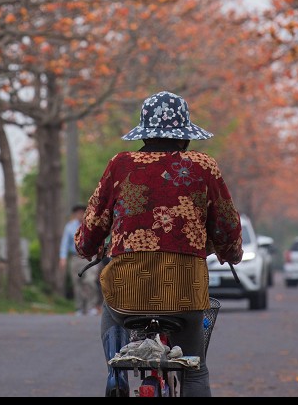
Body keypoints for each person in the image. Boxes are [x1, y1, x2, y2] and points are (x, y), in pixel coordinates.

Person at [76, 91, 243, 398]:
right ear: (185, 137)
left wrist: (87, 247)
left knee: (112, 311)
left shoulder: (120, 165)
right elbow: (227, 223)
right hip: (185, 290)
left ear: (144, 133)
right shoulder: (204, 166)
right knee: (196, 369)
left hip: (128, 289)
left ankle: (117, 378)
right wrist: (230, 252)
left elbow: (93, 223)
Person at [60, 204, 100, 315]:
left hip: (90, 257)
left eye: (82, 212)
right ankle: (80, 308)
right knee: (77, 283)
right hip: (75, 258)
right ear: (74, 214)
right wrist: (62, 257)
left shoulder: (92, 225)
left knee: (89, 281)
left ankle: (91, 306)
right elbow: (64, 243)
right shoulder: (69, 227)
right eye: (78, 213)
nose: (80, 215)